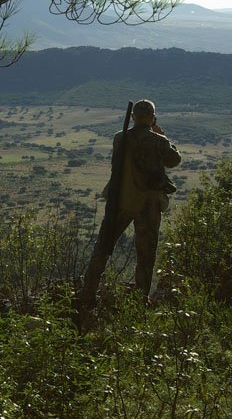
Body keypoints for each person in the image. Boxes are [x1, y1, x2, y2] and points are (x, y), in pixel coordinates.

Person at [78, 99, 181, 314]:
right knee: (146, 254)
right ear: (152, 118)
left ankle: (88, 293)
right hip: (148, 205)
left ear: (133, 117)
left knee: (103, 247)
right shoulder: (159, 141)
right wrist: (163, 136)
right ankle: (140, 301)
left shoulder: (120, 138)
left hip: (121, 201)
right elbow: (174, 160)